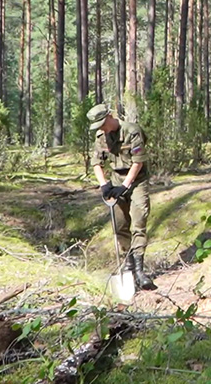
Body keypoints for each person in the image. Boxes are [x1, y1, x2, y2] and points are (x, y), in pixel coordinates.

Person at [87, 103, 156, 290]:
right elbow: (96, 162)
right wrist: (104, 185)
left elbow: (138, 162)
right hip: (116, 180)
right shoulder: (100, 136)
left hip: (136, 181)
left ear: (110, 116)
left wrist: (125, 186)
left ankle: (140, 270)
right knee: (119, 225)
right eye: (98, 126)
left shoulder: (132, 131)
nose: (102, 128)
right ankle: (128, 266)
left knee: (139, 220)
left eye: (103, 123)